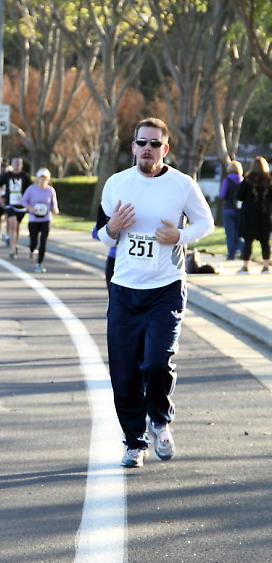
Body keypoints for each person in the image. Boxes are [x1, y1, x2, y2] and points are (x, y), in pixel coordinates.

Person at [96, 117, 214, 468]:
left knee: (158, 360)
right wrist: (112, 230)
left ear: (165, 148)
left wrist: (179, 236)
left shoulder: (182, 185)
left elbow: (206, 222)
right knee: (125, 371)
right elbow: (101, 235)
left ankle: (159, 419)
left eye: (154, 143)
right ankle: (134, 442)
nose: (147, 149)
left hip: (166, 286)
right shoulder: (116, 184)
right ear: (133, 147)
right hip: (124, 289)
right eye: (141, 142)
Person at [236, 156, 272, 274]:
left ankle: (246, 266)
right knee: (264, 241)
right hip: (265, 213)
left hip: (249, 214)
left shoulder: (247, 180)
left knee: (248, 240)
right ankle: (266, 266)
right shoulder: (269, 180)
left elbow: (239, 196)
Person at [21, 167, 59, 273]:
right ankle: (31, 251)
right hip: (33, 219)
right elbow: (24, 201)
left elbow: (54, 204)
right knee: (34, 241)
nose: (43, 180)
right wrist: (31, 208)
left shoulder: (50, 190)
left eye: (45, 178)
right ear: (37, 179)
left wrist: (55, 209)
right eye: (41, 178)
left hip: (45, 219)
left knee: (43, 242)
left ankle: (40, 263)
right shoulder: (31, 189)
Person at [0, 157, 32, 257]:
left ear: (22, 165)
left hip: (21, 205)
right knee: (12, 224)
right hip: (9, 204)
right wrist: (0, 198)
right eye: (15, 163)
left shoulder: (25, 177)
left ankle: (14, 244)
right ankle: (12, 249)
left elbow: (31, 190)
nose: (17, 165)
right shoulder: (7, 176)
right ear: (12, 164)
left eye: (19, 163)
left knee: (17, 226)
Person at [219, 160, 244, 260]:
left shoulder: (227, 180)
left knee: (230, 233)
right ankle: (243, 251)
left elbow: (222, 195)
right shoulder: (242, 180)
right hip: (240, 210)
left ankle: (231, 255)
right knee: (239, 233)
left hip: (228, 210)